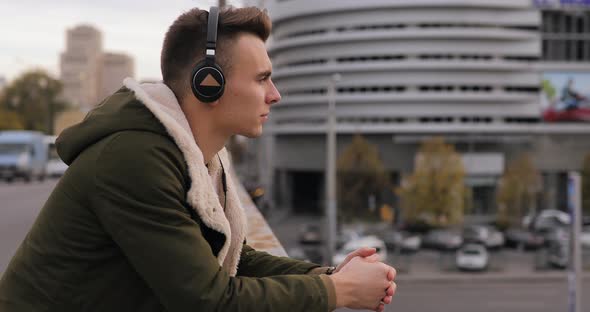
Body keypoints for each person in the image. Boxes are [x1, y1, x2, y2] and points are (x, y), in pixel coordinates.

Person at [0, 6, 396, 312]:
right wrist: (339, 291)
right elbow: (210, 301)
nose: (275, 95)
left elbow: (232, 257)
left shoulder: (197, 156)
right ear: (209, 83)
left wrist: (327, 275)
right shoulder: (133, 159)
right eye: (261, 78)